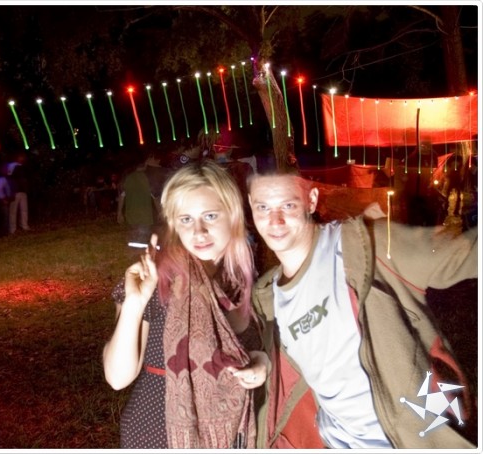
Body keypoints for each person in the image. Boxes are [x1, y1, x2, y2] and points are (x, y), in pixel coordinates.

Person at [246, 169, 477, 449]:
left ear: (311, 200)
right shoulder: (265, 297)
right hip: (334, 443)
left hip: (407, 440)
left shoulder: (365, 247)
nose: (275, 221)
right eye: (263, 207)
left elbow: (463, 255)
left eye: (288, 205)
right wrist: (260, 363)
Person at [103, 160, 270, 449]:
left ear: (232, 215)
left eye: (210, 216)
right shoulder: (156, 280)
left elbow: (261, 350)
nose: (199, 232)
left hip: (231, 433)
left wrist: (262, 363)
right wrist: (134, 303)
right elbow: (117, 378)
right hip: (158, 432)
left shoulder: (245, 280)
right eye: (186, 219)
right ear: (173, 224)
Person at [117, 156, 155, 244]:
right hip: (145, 216)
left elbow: (121, 197)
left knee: (134, 240)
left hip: (131, 215)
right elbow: (155, 197)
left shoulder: (127, 178)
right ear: (145, 165)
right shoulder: (148, 178)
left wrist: (119, 213)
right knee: (143, 241)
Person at [7, 152, 31, 232]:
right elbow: (9, 178)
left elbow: (26, 179)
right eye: (21, 157)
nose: (22, 158)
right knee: (13, 211)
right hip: (15, 191)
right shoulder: (12, 166)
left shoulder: (23, 167)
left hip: (23, 191)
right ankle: (12, 228)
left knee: (24, 209)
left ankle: (24, 225)